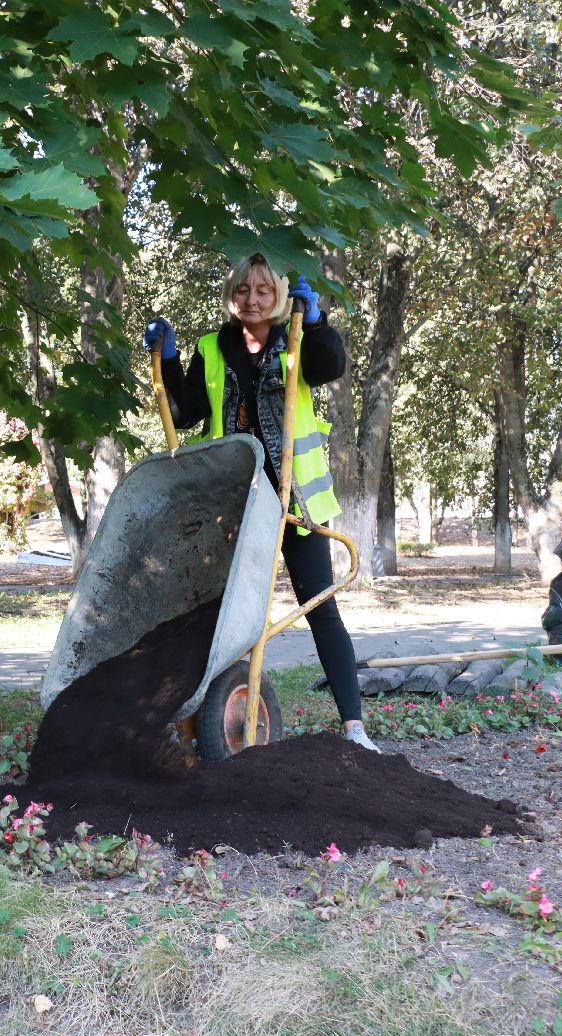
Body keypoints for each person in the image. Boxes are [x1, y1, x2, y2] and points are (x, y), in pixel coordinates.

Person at [144, 252, 380, 753]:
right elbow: (184, 413)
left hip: (296, 503)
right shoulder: (212, 346)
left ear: (278, 297)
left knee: (321, 609)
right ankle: (197, 715)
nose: (252, 299)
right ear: (231, 295)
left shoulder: (294, 337)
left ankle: (355, 729)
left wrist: (314, 323)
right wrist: (168, 359)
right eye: (243, 290)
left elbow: (331, 366)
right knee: (215, 615)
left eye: (263, 290)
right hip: (234, 506)